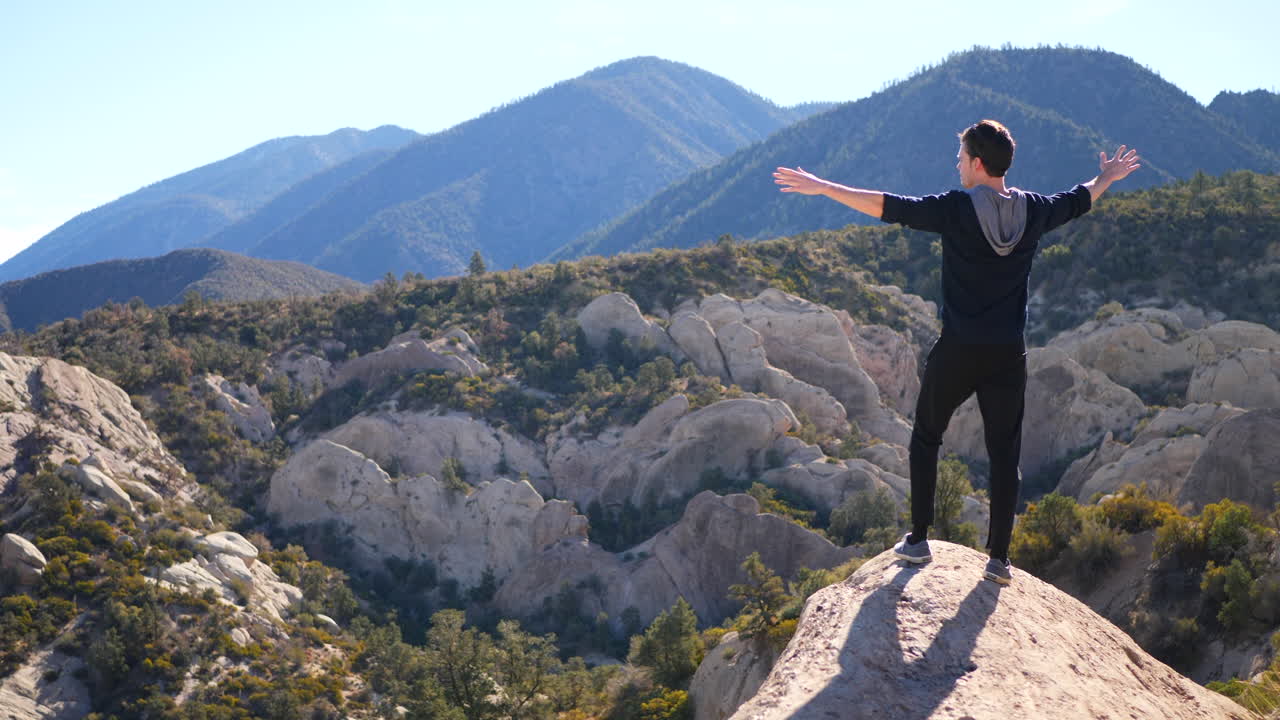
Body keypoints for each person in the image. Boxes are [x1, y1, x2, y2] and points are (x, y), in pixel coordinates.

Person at [773, 119, 1140, 584]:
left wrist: (823, 187)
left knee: (927, 435)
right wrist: (1107, 177)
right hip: (1008, 352)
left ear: (978, 163)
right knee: (1005, 453)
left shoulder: (957, 209)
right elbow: (1080, 199)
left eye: (961, 157)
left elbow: (891, 207)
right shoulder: (1034, 209)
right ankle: (999, 559)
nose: (957, 164)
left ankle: (919, 540)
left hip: (959, 347)